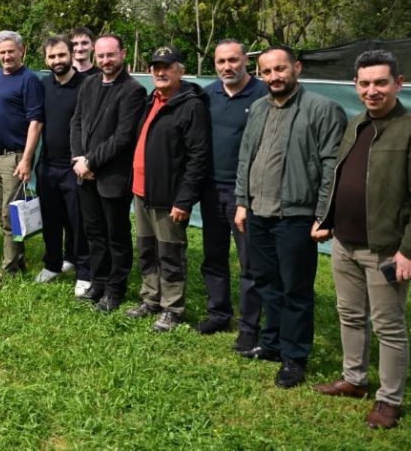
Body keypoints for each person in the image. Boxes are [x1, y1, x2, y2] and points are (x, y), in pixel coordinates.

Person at [312, 50, 411, 429]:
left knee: (388, 326)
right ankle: (354, 379)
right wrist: (328, 220)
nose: (372, 91)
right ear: (356, 86)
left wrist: (410, 251)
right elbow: (342, 178)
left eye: (380, 82)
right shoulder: (356, 124)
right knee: (350, 315)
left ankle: (390, 400)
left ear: (398, 84)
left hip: (387, 249)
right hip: (345, 244)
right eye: (365, 83)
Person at [234, 45, 346, 388]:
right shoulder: (257, 109)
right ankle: (271, 343)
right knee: (267, 283)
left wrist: (324, 215)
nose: (274, 77)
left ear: (295, 67)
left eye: (280, 69)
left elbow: (332, 167)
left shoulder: (322, 109)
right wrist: (242, 201)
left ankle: (294, 357)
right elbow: (246, 157)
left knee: (295, 289)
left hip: (296, 215)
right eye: (267, 71)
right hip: (258, 212)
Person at [125, 46, 210, 333]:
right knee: (147, 249)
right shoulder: (153, 100)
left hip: (168, 196)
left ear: (180, 70)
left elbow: (198, 157)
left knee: (170, 252)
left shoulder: (190, 104)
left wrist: (184, 199)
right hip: (141, 191)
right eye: (155, 67)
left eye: (167, 67)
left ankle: (172, 308)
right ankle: (150, 297)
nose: (160, 72)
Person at [197, 40, 269, 346]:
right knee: (213, 255)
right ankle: (218, 312)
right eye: (221, 61)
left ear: (246, 62)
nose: (228, 66)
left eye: (234, 60)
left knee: (249, 262)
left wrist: (248, 194)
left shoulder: (264, 94)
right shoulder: (207, 94)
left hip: (247, 194)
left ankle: (249, 327)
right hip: (211, 189)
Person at [70, 34, 146, 307]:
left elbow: (123, 137)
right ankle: (98, 282)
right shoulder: (88, 84)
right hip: (85, 175)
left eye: (110, 55)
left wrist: (90, 161)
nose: (105, 61)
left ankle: (116, 290)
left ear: (123, 54)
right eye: (101, 56)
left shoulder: (133, 90)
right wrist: (79, 159)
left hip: (112, 177)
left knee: (116, 237)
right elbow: (76, 122)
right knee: (95, 234)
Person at [0, 31, 44, 288]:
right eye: (2, 52)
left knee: (10, 215)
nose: (7, 56)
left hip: (15, 157)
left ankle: (8, 270)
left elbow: (36, 121)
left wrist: (26, 159)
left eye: (11, 51)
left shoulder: (29, 80)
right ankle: (18, 259)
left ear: (22, 50)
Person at [34, 36, 85, 284]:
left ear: (71, 54)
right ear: (46, 59)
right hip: (47, 165)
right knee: (51, 219)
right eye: (52, 56)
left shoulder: (87, 85)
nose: (57, 61)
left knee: (78, 221)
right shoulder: (43, 85)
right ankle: (52, 264)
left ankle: (81, 267)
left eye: (61, 55)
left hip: (74, 167)